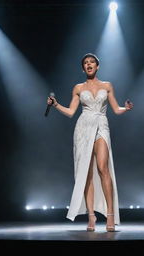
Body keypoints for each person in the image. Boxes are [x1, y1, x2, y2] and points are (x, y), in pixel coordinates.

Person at [47, 53, 133, 232]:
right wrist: (55, 105)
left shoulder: (107, 85)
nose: (88, 65)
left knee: (103, 168)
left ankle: (110, 215)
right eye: (85, 63)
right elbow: (71, 112)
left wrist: (127, 108)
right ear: (83, 68)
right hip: (83, 128)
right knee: (86, 173)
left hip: (101, 124)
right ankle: (91, 217)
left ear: (97, 66)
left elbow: (116, 109)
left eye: (91, 62)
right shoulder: (78, 88)